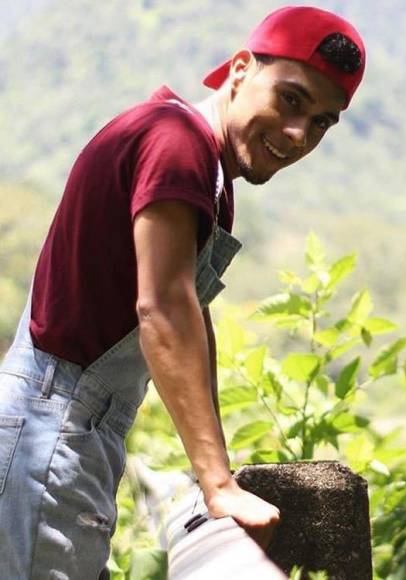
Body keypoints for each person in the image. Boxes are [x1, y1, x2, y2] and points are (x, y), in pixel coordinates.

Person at [0, 5, 366, 578]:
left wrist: (212, 467)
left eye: (321, 121)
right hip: (51, 431)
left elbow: (192, 318)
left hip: (74, 430)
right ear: (241, 70)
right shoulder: (176, 146)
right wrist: (218, 485)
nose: (299, 134)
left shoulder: (206, 168)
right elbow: (164, 309)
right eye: (291, 99)